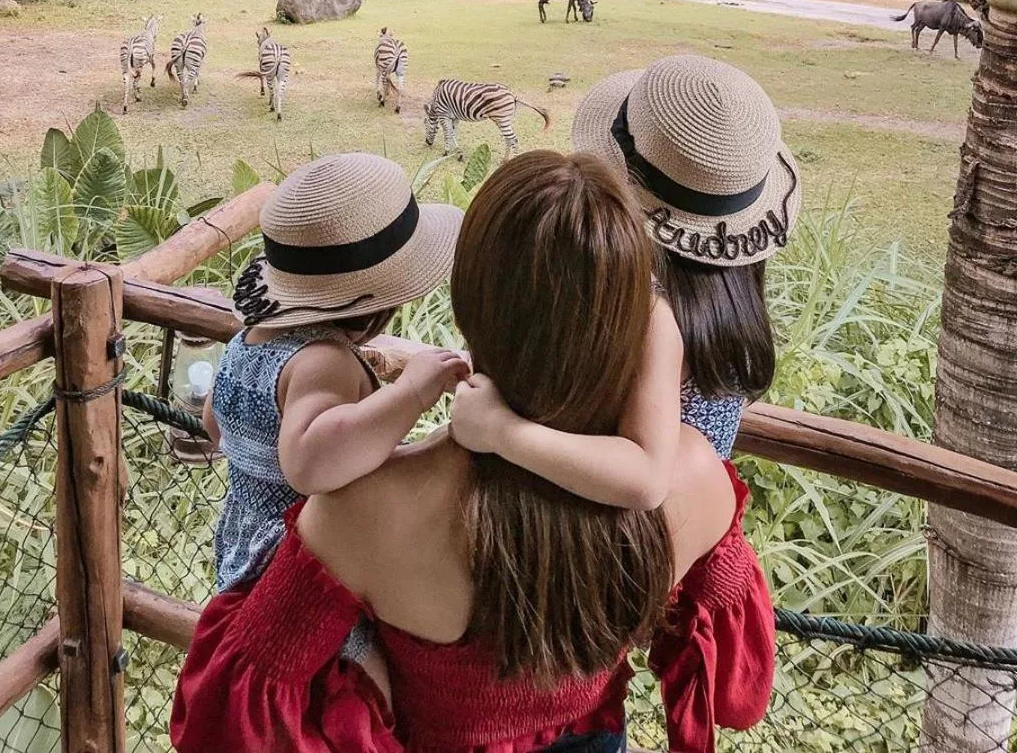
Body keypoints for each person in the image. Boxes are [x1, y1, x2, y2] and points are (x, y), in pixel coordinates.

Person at [172, 151, 775, 753]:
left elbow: (234, 708)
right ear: (640, 330)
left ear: (468, 306)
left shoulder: (361, 509)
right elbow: (737, 694)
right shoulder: (696, 476)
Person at [452, 55, 800, 501]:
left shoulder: (649, 312)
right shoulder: (731, 298)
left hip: (624, 527)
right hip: (698, 513)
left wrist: (500, 430)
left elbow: (645, 481)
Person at [203, 152, 468, 692]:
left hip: (239, 543)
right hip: (301, 568)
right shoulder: (322, 361)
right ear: (379, 304)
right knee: (377, 688)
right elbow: (308, 463)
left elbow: (216, 424)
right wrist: (411, 392)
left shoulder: (246, 341)